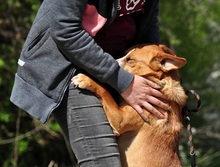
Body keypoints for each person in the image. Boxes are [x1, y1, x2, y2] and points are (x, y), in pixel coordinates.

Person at [10, 0, 169, 166]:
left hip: (120, 71)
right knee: (103, 162)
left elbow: (148, 24)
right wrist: (123, 81)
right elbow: (65, 30)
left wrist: (162, 80)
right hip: (69, 68)